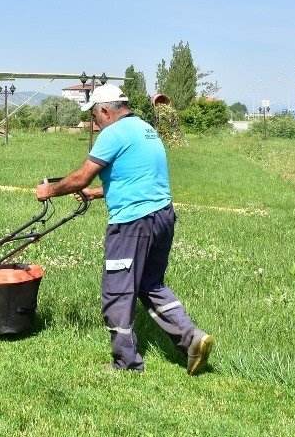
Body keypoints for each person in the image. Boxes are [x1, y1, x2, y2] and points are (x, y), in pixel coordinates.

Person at [35, 83, 213, 374]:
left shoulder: (113, 133)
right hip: (162, 216)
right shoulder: (145, 130)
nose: (94, 123)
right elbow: (135, 179)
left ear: (106, 110)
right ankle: (192, 338)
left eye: (95, 116)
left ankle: (127, 363)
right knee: (151, 284)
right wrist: (95, 194)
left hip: (133, 223)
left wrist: (49, 191)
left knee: (117, 290)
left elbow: (81, 177)